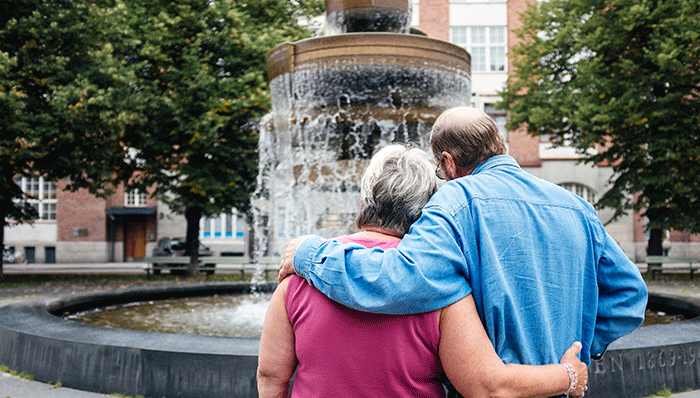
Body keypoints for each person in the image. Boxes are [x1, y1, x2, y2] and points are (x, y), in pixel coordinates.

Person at [278, 107, 647, 370]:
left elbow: (400, 280)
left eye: (440, 171)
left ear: (448, 162)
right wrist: (579, 347)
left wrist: (312, 253)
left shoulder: (457, 199)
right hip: (563, 382)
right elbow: (630, 295)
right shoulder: (576, 206)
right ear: (499, 144)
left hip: (500, 384)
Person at [258, 144, 588, 398]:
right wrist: (568, 375)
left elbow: (272, 375)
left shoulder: (299, 275)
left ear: (363, 204)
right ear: (429, 212)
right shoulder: (440, 284)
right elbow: (488, 387)